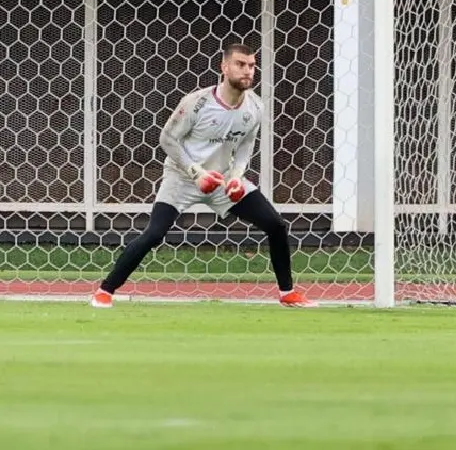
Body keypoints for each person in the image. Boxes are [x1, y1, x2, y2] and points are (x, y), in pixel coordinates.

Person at [91, 43, 315, 308]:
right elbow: (167, 139)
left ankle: (287, 292)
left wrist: (236, 176)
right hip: (183, 177)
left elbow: (245, 146)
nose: (248, 71)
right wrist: (195, 172)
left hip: (221, 180)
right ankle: (105, 291)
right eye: (240, 64)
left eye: (252, 66)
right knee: (154, 234)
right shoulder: (197, 103)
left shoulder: (255, 107)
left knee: (275, 224)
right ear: (224, 67)